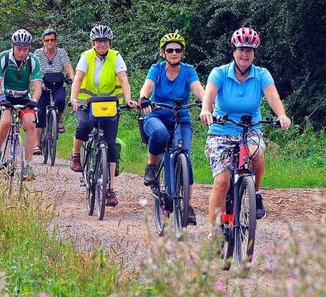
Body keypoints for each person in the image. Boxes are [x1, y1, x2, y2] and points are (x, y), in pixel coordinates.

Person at [199, 27, 291, 233]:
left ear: (254, 54)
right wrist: (206, 110)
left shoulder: (261, 74)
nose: (244, 54)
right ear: (233, 51)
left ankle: (255, 192)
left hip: (251, 128)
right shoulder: (220, 72)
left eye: (249, 50)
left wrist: (281, 115)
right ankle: (214, 231)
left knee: (256, 152)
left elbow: (272, 96)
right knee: (222, 182)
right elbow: (209, 94)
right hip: (221, 130)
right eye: (241, 49)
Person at [138, 32, 205, 225]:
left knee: (185, 156)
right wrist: (144, 98)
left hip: (180, 118)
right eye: (170, 50)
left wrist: (207, 103)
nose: (174, 53)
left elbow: (198, 89)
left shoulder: (188, 70)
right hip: (156, 115)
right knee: (160, 134)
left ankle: (187, 205)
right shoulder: (156, 69)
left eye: (178, 50)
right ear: (163, 52)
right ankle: (151, 165)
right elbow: (147, 86)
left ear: (182, 53)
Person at [69, 25, 137, 206]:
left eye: (105, 41)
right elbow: (78, 79)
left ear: (109, 43)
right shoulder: (86, 57)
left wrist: (128, 100)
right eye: (99, 41)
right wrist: (74, 98)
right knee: (83, 126)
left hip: (109, 105)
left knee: (111, 144)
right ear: (93, 43)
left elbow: (124, 80)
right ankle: (76, 155)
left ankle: (110, 190)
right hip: (87, 103)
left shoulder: (116, 57)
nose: (102, 44)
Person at [0, 29, 43, 181]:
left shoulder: (33, 60)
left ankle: (27, 165)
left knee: (31, 124)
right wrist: (0, 97)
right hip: (5, 95)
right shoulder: (2, 57)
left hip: (24, 97)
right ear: (13, 46)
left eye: (25, 49)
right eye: (19, 49)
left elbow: (38, 86)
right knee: (6, 122)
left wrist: (35, 101)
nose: (22, 53)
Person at [32, 28, 75, 154]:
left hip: (58, 83)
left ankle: (59, 120)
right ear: (43, 41)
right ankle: (37, 144)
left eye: (52, 40)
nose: (50, 42)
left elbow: (67, 65)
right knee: (39, 113)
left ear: (56, 41)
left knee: (61, 100)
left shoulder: (61, 52)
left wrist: (72, 76)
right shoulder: (38, 53)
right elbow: (34, 67)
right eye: (47, 40)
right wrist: (34, 78)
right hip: (43, 85)